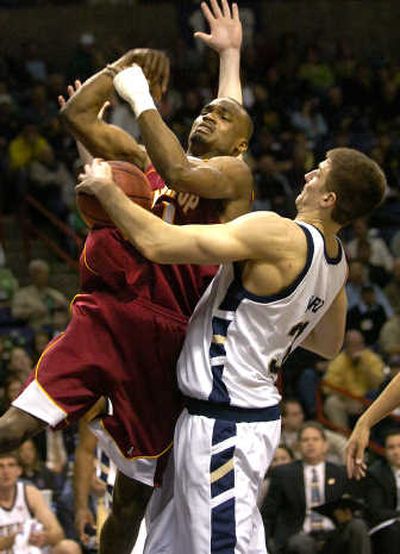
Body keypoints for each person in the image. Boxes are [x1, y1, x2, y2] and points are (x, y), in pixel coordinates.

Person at [1, 3, 252, 554]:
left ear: (239, 146)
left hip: (168, 343)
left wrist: (229, 59)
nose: (208, 115)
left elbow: (210, 138)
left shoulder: (232, 179)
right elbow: (78, 118)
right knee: (13, 429)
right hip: (108, 316)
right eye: (203, 110)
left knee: (130, 498)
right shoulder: (146, 160)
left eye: (221, 115)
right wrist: (121, 66)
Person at [75, 108, 386, 552]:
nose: (307, 176)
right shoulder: (336, 263)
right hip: (227, 413)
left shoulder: (278, 233)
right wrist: (271, 322)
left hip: (224, 420)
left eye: (318, 173)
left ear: (330, 198)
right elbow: (328, 343)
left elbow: (160, 244)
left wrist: (109, 192)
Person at [262, 423, 351, 554]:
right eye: (305, 440)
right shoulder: (283, 474)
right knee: (301, 543)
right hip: (300, 533)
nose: (310, 444)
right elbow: (268, 514)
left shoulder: (340, 473)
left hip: (333, 532)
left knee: (357, 527)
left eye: (315, 439)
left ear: (325, 445)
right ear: (298, 446)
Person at [0, 451, 81, 553]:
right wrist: (12, 539)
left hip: (30, 550)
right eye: (0, 466)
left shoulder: (29, 493)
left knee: (69, 547)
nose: (6, 471)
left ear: (19, 470)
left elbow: (58, 533)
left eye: (11, 465)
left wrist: (44, 537)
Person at [323, 329, 385, 429]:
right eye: (352, 345)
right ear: (346, 346)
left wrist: (364, 366)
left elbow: (379, 381)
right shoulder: (339, 362)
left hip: (368, 398)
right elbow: (328, 387)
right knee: (332, 403)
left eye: (359, 344)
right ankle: (343, 437)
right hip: (347, 399)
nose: (356, 348)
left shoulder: (371, 358)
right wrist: (348, 400)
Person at [363, 429, 400, 554]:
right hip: (387, 526)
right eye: (391, 447)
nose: (396, 452)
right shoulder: (376, 474)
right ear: (384, 451)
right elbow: (376, 511)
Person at [11, 259, 69, 331]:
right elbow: (15, 313)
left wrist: (63, 307)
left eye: (43, 273)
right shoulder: (22, 294)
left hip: (56, 329)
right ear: (32, 275)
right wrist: (33, 311)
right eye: (37, 273)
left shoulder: (54, 294)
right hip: (34, 329)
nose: (41, 276)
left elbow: (66, 307)